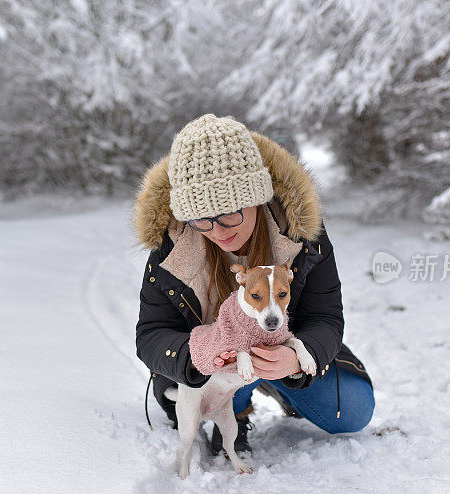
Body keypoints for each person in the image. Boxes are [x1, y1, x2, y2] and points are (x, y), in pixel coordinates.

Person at [133, 114, 374, 454]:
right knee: (231, 343)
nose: (218, 231)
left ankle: (278, 382)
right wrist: (194, 356)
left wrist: (295, 358)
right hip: (212, 374)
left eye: (230, 213)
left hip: (281, 343)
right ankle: (235, 410)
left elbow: (326, 317)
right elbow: (151, 334)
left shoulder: (302, 236)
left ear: (257, 199)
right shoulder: (171, 247)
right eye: (202, 220)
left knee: (354, 410)